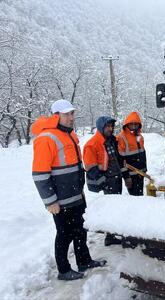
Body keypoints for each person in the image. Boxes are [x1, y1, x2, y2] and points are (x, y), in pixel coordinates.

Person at [32, 99, 106, 281]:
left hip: (76, 195)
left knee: (81, 229)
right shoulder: (46, 138)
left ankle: (84, 260)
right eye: (66, 114)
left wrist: (80, 190)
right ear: (56, 116)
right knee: (64, 235)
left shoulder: (69, 135)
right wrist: (50, 201)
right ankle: (63, 270)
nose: (71, 117)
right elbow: (40, 174)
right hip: (60, 200)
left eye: (72, 113)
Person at [83, 116, 128, 246]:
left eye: (111, 126)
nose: (110, 129)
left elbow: (118, 160)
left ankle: (113, 233)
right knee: (111, 209)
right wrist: (104, 182)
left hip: (116, 178)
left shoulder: (112, 141)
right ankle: (110, 236)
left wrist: (124, 176)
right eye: (107, 126)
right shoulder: (92, 144)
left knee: (116, 207)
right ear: (101, 127)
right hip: (108, 181)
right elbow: (90, 167)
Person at [117, 112, 147, 196]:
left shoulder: (140, 136)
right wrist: (126, 177)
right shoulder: (121, 137)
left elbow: (142, 154)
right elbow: (120, 160)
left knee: (140, 196)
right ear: (127, 124)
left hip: (140, 173)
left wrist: (144, 170)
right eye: (131, 124)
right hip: (131, 176)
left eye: (136, 124)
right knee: (135, 199)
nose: (133, 126)